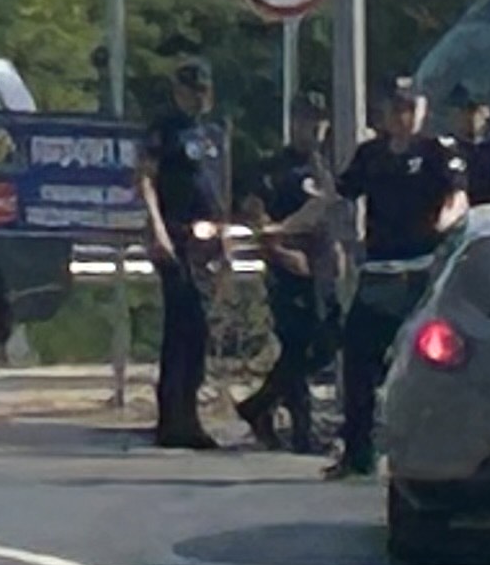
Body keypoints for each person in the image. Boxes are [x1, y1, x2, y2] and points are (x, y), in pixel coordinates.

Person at [331, 79, 467, 481]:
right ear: (385, 114)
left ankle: (439, 451)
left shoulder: (437, 151)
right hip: (378, 274)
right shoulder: (370, 155)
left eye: (411, 107)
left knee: (432, 361)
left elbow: (457, 195)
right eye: (397, 108)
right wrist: (292, 226)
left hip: (421, 274)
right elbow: (339, 194)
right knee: (357, 361)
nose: (404, 116)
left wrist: (447, 219)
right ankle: (358, 453)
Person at [234, 92, 343, 452]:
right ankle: (302, 430)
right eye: (307, 119)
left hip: (323, 268)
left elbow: (331, 215)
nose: (314, 127)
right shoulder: (272, 169)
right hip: (289, 268)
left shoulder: (324, 168)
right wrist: (279, 252)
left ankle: (259, 405)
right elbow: (257, 219)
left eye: (320, 121)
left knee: (327, 343)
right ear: (293, 121)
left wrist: (339, 252)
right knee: (296, 345)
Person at [137, 57, 231, 451]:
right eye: (192, 90)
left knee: (199, 330)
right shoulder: (165, 129)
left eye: (204, 90)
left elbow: (217, 188)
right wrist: (157, 229)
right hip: (175, 237)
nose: (199, 97)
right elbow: (145, 178)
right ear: (178, 91)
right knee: (182, 325)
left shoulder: (213, 132)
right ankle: (171, 417)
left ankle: (189, 415)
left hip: (205, 240)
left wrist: (224, 243)